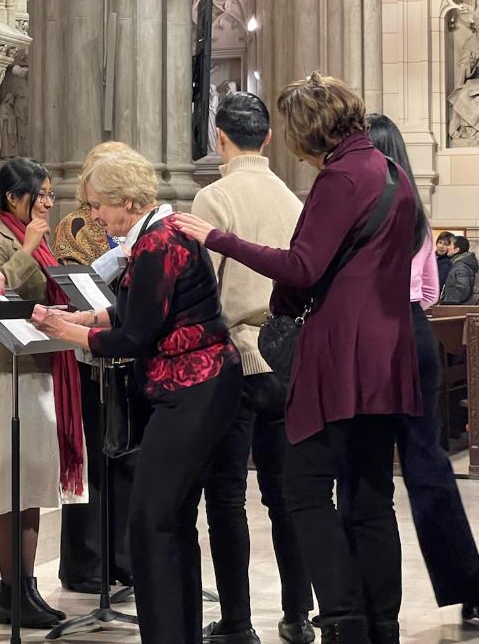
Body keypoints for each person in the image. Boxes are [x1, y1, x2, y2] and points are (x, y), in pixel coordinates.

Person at [174, 72, 420, 644]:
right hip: (386, 349)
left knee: (305, 487)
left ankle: (341, 618)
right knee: (369, 493)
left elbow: (305, 267)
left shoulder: (339, 178)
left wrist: (218, 239)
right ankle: (380, 622)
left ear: (308, 128)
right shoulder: (391, 173)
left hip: (342, 352)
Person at [33, 148, 243, 644]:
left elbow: (135, 337)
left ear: (126, 202)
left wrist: (68, 332)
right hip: (201, 387)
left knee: (152, 521)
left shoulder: (156, 244)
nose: (96, 218)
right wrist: (84, 319)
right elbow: (138, 308)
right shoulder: (156, 235)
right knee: (168, 520)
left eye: (100, 207)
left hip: (192, 389)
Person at [193, 92, 313, 644]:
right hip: (288, 357)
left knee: (225, 494)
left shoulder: (212, 198)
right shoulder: (294, 200)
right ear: (266, 138)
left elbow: (202, 292)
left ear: (220, 138)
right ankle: (296, 615)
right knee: (286, 494)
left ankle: (238, 624)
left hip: (235, 357)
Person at [366, 114, 479, 623]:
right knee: (428, 465)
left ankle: (370, 599)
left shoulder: (367, 204)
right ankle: (470, 583)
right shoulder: (417, 213)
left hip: (375, 335)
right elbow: (431, 292)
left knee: (365, 466)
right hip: (415, 333)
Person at [0, 159, 86, 629]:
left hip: (43, 364)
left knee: (32, 482)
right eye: (41, 195)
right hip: (7, 370)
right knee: (9, 484)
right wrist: (30, 248)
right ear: (13, 197)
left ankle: (28, 585)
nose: (48, 203)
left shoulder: (37, 238)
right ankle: (10, 591)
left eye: (51, 196)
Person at [53, 141, 136, 595]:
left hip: (128, 351)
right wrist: (118, 258)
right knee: (94, 461)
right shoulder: (76, 224)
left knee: (125, 459)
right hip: (89, 352)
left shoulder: (131, 223)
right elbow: (73, 281)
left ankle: (123, 557)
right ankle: (85, 561)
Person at [440, 234, 478, 304]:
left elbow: (463, 289)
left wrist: (446, 301)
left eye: (450, 245)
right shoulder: (459, 264)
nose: (447, 247)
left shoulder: (460, 267)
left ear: (456, 250)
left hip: (458, 308)